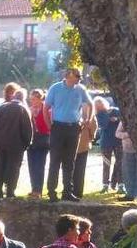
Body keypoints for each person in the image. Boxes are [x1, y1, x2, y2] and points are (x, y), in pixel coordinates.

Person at [44, 68, 94, 202]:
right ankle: (51, 192)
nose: (78, 79)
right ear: (68, 76)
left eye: (79, 77)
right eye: (76, 76)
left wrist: (88, 119)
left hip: (73, 127)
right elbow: (46, 108)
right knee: (55, 161)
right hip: (58, 127)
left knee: (69, 162)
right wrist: (50, 127)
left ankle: (67, 191)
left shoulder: (80, 89)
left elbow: (90, 104)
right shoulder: (55, 88)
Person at [0, 83, 33, 198]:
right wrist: (27, 143)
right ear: (23, 98)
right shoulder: (23, 109)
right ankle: (10, 191)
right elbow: (27, 130)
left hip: (0, 143)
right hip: (16, 144)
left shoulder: (2, 107)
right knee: (13, 168)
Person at [94, 97, 123, 193]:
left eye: (101, 104)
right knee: (106, 164)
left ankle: (120, 185)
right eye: (98, 106)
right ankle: (105, 185)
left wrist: (116, 118)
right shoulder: (99, 115)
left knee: (120, 163)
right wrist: (109, 117)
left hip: (117, 140)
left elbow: (122, 120)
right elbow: (103, 124)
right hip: (105, 142)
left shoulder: (116, 110)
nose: (100, 106)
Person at [72, 95, 97, 199]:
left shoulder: (71, 110)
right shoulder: (88, 112)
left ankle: (70, 189)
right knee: (80, 169)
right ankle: (78, 191)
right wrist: (90, 137)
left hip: (72, 145)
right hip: (83, 144)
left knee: (69, 168)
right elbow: (93, 127)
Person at [27, 89, 50, 198]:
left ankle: (38, 190)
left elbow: (48, 124)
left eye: (35, 99)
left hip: (43, 138)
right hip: (32, 139)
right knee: (31, 164)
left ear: (40, 98)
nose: (32, 101)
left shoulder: (46, 108)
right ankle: (33, 188)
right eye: (31, 99)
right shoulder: (29, 109)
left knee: (39, 165)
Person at [116, 120, 137, 201]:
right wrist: (128, 135)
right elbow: (117, 134)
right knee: (128, 172)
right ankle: (130, 194)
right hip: (128, 150)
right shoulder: (124, 121)